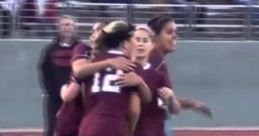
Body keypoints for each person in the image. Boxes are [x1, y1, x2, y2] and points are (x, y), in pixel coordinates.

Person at [60, 21, 151, 136]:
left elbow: (73, 93)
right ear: (125, 43)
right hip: (115, 126)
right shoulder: (132, 66)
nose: (137, 44)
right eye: (135, 39)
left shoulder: (89, 63)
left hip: (88, 125)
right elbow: (135, 108)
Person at [147, 15, 213, 136]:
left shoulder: (157, 61)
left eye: (175, 32)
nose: (175, 36)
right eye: (169, 32)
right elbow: (172, 107)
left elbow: (165, 98)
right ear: (154, 37)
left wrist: (192, 104)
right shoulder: (154, 61)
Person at [120, 25, 181, 136]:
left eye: (145, 40)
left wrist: (171, 97)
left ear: (152, 45)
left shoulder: (159, 76)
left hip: (153, 130)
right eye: (137, 40)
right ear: (128, 43)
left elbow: (175, 109)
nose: (140, 44)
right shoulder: (121, 70)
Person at [38, 15, 83, 136]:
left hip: (76, 97)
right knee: (53, 127)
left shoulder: (82, 49)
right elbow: (44, 70)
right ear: (58, 28)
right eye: (64, 25)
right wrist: (50, 91)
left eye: (70, 25)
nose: (67, 28)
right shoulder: (50, 49)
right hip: (55, 97)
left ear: (75, 28)